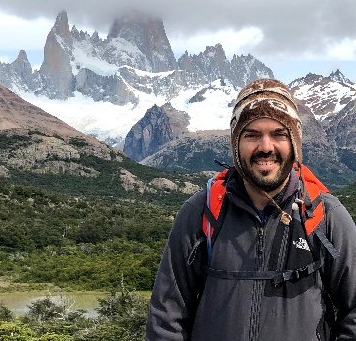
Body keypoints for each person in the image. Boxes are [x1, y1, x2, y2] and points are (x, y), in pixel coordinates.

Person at [146, 78, 356, 341]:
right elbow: (166, 318)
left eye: (279, 134)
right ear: (236, 144)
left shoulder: (325, 216)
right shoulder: (201, 212)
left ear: (294, 144)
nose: (265, 147)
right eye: (252, 135)